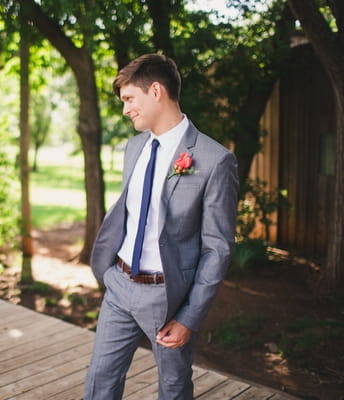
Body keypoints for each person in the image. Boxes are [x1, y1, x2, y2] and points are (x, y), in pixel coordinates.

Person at [84, 54, 239, 399]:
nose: (125, 110)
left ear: (156, 91)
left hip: (167, 296)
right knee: (99, 381)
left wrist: (189, 317)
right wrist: (108, 272)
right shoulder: (134, 147)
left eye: (129, 99)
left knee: (173, 387)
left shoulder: (215, 160)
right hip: (119, 284)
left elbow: (218, 248)